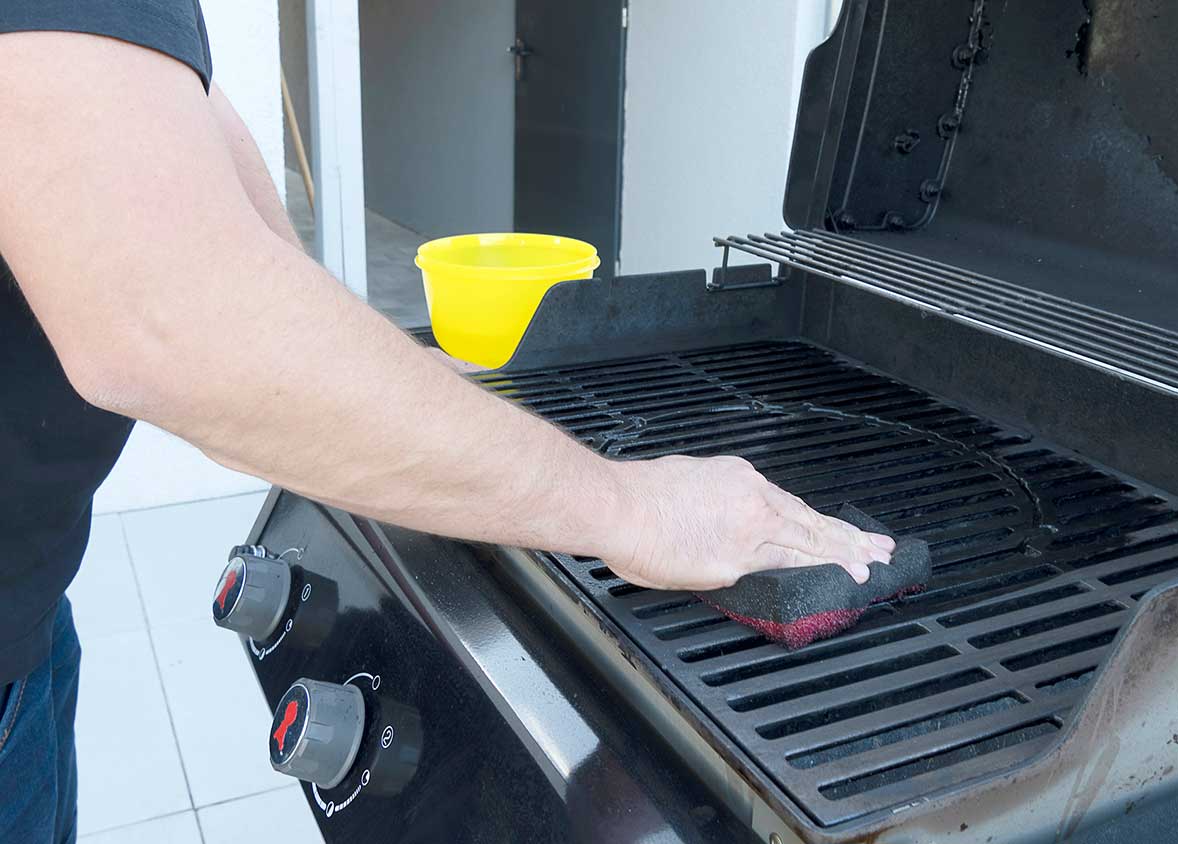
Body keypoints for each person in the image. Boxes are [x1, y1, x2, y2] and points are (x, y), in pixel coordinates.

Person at [0, 3, 894, 841]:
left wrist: (365, 367)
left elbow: (177, 105)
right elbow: (166, 319)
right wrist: (635, 510)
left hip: (25, 614)